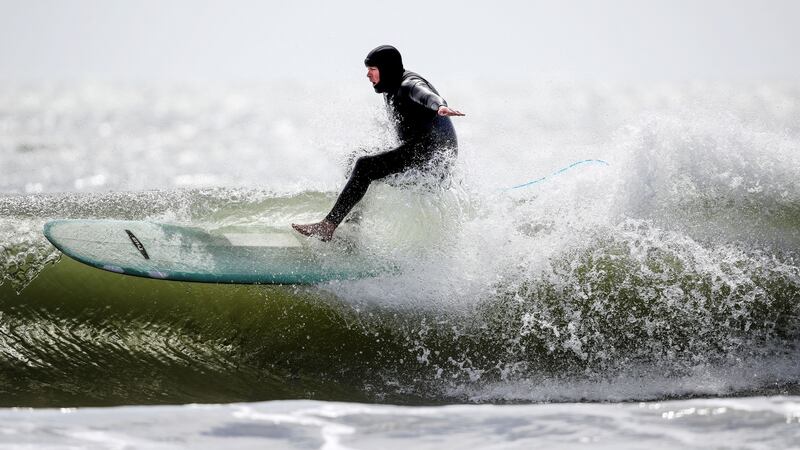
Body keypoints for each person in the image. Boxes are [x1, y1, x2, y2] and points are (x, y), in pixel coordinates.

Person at [292, 45, 465, 241]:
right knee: (355, 160)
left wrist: (440, 106)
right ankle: (352, 225)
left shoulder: (409, 84)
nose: (368, 75)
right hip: (418, 151)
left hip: (431, 160)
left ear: (388, 69)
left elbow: (425, 94)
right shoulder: (390, 85)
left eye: (372, 70)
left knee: (365, 166)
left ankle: (328, 226)